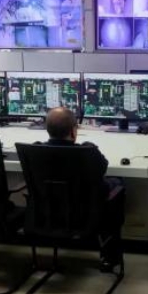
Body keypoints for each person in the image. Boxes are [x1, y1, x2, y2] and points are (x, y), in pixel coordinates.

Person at [43, 107, 125, 271]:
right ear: (73, 132)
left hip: (47, 214)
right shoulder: (87, 152)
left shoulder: (36, 151)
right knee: (117, 183)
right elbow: (102, 168)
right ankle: (110, 256)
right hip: (86, 216)